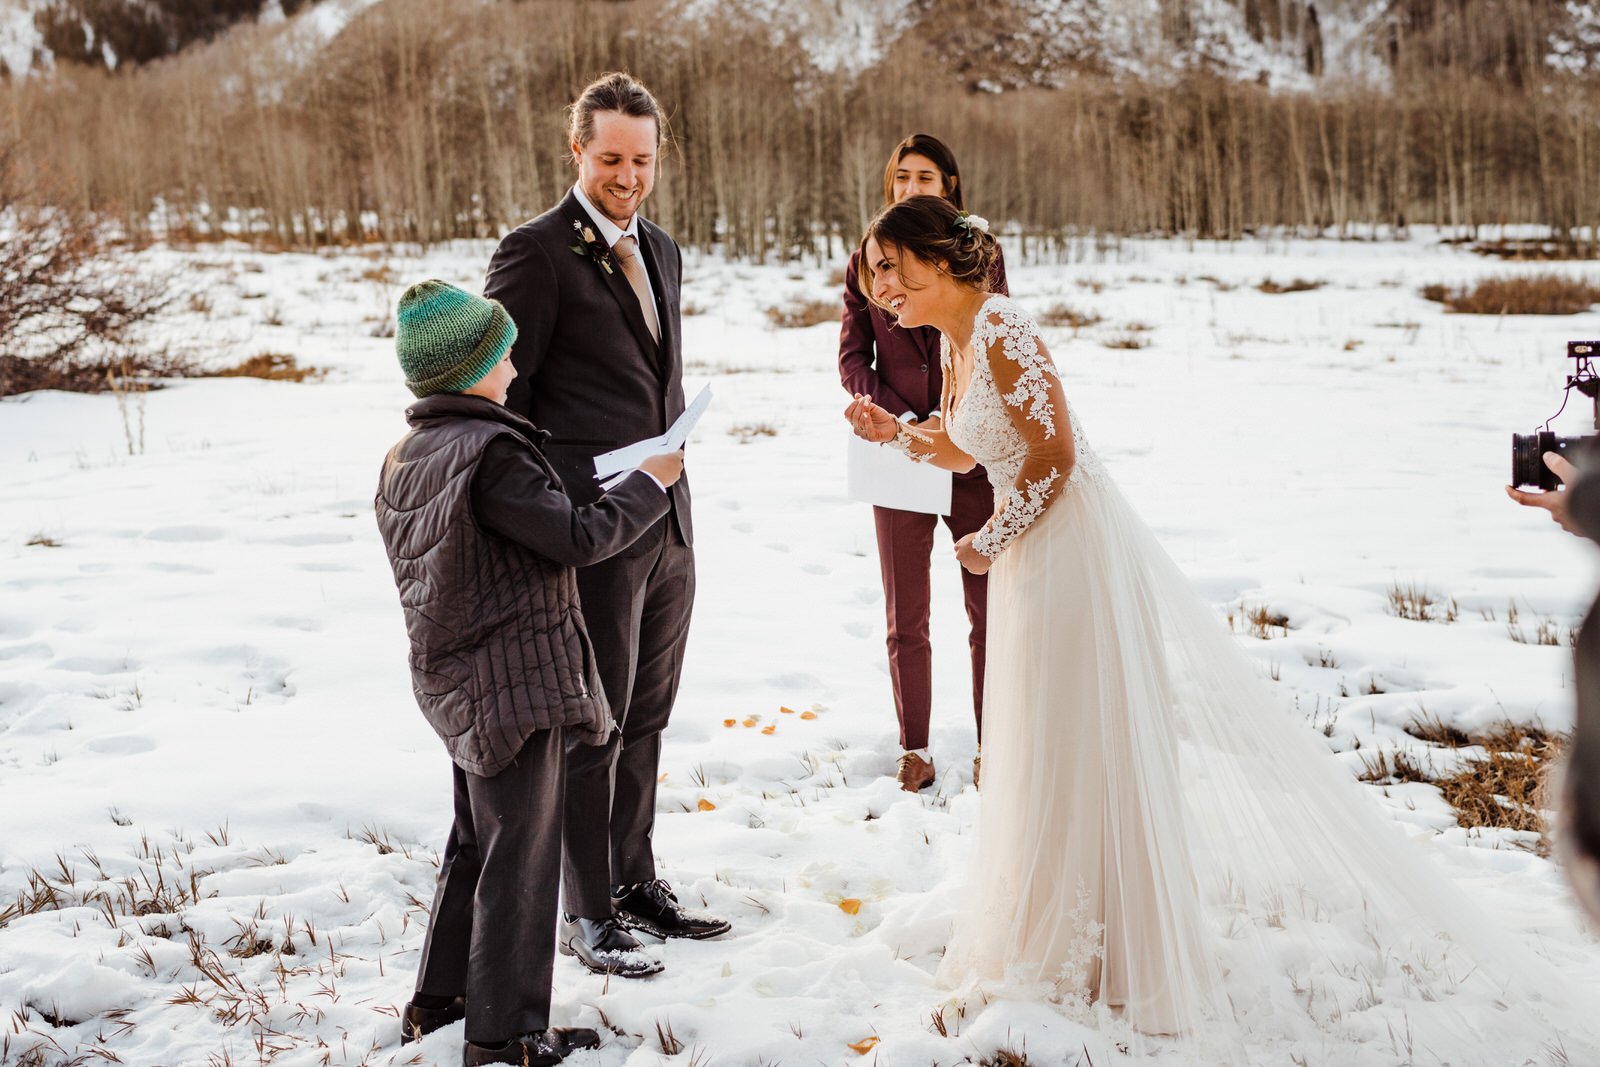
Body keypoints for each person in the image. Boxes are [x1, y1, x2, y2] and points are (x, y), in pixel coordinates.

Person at [845, 196, 1595, 1059]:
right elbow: (971, 447)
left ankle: (1107, 943)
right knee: (1042, 738)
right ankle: (1051, 922)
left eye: (892, 266)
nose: (882, 285)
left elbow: (1053, 459)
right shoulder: (953, 340)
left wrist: (990, 538)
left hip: (1067, 550)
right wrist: (897, 438)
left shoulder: (1004, 327)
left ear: (939, 259)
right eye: (874, 272)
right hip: (1026, 553)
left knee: (1073, 735)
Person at [374, 280, 683, 1065]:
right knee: (522, 856)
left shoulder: (411, 452)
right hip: (517, 680)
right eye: (501, 349)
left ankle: (441, 1000)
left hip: (458, 679)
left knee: (477, 842)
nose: (514, 362)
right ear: (472, 366)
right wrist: (651, 482)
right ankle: (506, 1034)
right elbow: (579, 540)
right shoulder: (493, 453)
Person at [484, 71, 729, 980]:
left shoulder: (662, 249)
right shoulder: (534, 253)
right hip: (590, 526)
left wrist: (665, 485)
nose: (630, 175)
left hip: (668, 522)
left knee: (650, 715)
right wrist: (558, 505)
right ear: (576, 151)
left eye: (644, 159)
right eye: (612, 157)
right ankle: (586, 912)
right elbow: (502, 396)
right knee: (597, 721)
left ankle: (635, 880)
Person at [839, 134, 1005, 793]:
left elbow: (989, 341)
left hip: (976, 452)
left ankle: (997, 742)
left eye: (926, 177)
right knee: (905, 613)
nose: (912, 187)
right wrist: (903, 424)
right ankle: (915, 746)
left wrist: (957, 422)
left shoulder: (981, 258)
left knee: (989, 606)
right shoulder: (867, 260)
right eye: (901, 177)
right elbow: (853, 359)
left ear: (951, 187)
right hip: (899, 450)